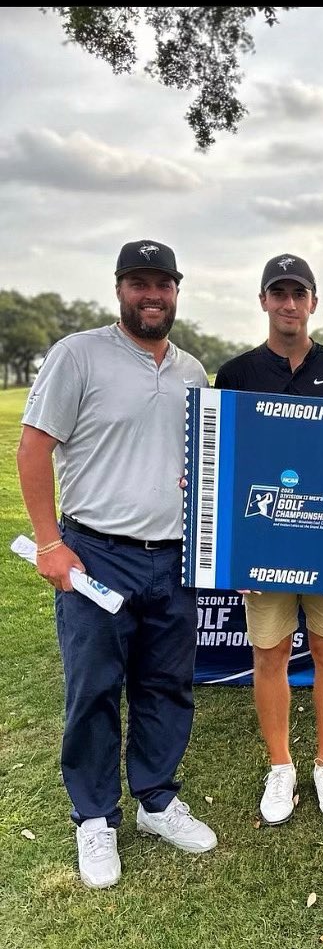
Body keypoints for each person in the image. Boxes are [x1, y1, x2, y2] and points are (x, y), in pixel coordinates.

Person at [17, 240, 216, 889]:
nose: (151, 295)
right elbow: (33, 447)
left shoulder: (192, 371)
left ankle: (156, 798)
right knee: (94, 687)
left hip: (173, 555)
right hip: (96, 552)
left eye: (162, 284)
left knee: (165, 684)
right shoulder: (79, 354)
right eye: (140, 282)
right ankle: (95, 817)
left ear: (176, 290)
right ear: (120, 288)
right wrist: (50, 543)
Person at [215, 254, 323, 825]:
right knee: (269, 652)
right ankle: (282, 766)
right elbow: (226, 463)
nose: (288, 304)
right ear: (263, 302)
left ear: (313, 303)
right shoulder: (237, 373)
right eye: (278, 293)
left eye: (298, 293)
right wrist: (232, 547)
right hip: (263, 543)